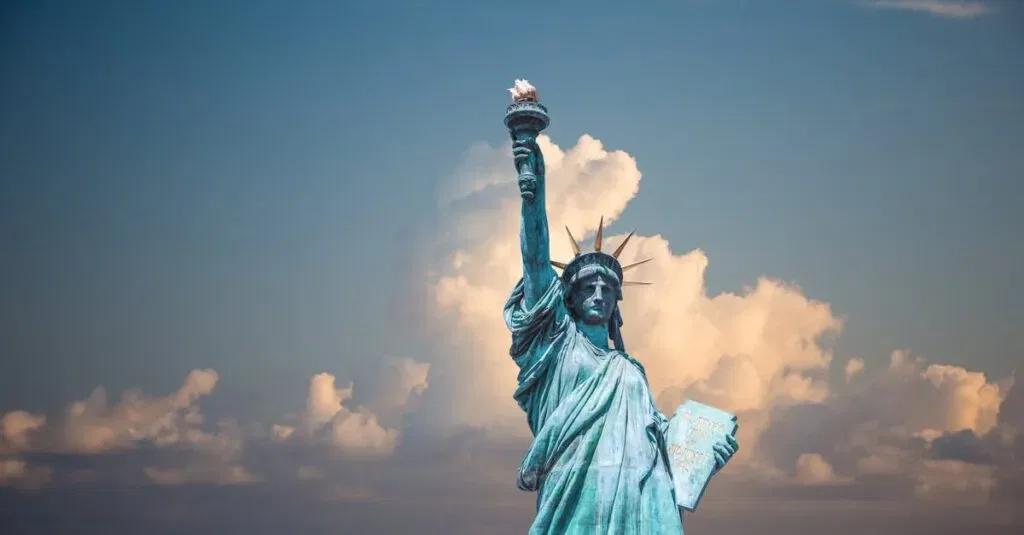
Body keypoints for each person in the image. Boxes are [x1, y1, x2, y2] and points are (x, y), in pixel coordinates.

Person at [504, 137, 738, 534]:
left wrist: (705, 448)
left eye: (607, 289)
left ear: (617, 302)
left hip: (637, 496)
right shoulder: (556, 347)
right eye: (587, 287)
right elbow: (535, 259)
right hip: (574, 492)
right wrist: (533, 191)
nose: (598, 294)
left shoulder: (629, 370)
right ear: (569, 299)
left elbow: (658, 439)